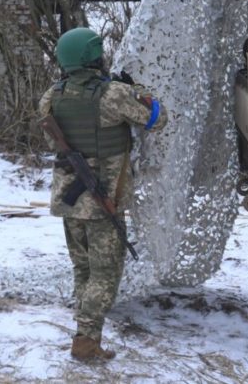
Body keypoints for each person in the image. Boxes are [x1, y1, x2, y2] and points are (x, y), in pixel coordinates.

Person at [39, 27, 167, 362]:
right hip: (102, 201)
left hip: (69, 198)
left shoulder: (51, 96)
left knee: (82, 268)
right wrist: (137, 91)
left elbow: (52, 138)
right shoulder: (114, 95)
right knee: (105, 273)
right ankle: (85, 339)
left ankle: (85, 333)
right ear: (94, 57)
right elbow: (157, 118)